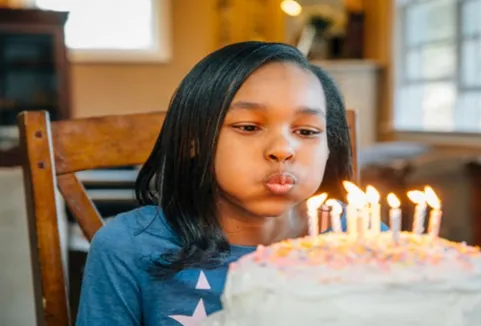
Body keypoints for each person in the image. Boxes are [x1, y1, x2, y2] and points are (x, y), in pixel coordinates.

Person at [76, 41, 386, 326]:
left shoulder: (366, 239)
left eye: (306, 131)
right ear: (193, 140)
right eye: (249, 127)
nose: (283, 149)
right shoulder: (128, 246)